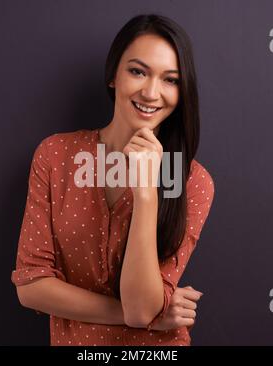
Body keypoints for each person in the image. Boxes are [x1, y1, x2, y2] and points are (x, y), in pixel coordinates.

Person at [11, 13, 215, 346]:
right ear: (113, 76)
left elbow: (140, 311)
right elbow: (31, 287)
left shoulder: (191, 180)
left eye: (170, 80)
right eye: (138, 71)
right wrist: (150, 314)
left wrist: (147, 192)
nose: (151, 92)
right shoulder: (56, 155)